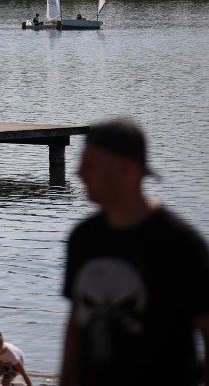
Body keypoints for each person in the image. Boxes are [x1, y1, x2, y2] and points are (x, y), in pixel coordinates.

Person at [59, 118, 209, 386]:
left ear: (126, 170)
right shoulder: (83, 239)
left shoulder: (180, 245)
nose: (78, 173)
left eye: (89, 165)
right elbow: (76, 327)